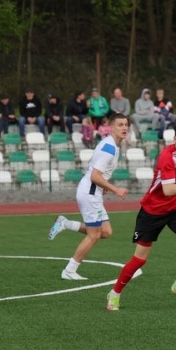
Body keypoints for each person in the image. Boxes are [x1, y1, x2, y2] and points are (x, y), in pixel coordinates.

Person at [106, 120, 176, 311]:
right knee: (139, 259)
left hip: (175, 208)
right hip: (152, 211)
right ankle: (114, 294)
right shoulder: (166, 156)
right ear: (175, 140)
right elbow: (168, 190)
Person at [48, 113, 131, 280]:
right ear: (111, 127)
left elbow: (95, 171)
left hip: (94, 191)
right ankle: (69, 271)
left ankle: (65, 223)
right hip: (90, 193)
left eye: (126, 125)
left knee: (105, 232)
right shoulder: (109, 148)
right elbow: (95, 176)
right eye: (120, 125)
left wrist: (103, 185)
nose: (124, 128)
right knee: (94, 235)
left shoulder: (112, 145)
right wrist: (115, 189)